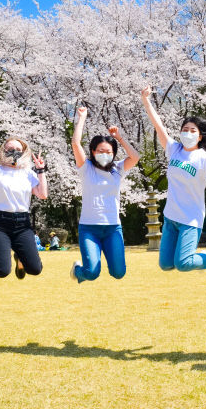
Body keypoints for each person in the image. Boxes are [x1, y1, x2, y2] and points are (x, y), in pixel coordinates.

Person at [140, 86, 206, 271]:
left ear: (200, 136)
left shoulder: (205, 158)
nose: (187, 133)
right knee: (165, 265)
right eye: (185, 129)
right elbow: (158, 126)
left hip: (190, 219)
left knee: (183, 263)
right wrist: (146, 101)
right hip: (171, 216)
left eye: (192, 130)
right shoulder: (174, 149)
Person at [69, 106, 140, 283]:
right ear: (93, 151)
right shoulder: (86, 168)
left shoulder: (117, 169)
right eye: (100, 151)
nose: (105, 154)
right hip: (89, 228)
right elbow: (75, 144)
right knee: (91, 272)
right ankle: (78, 271)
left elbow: (135, 157)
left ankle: (88, 270)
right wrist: (82, 118)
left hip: (112, 228)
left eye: (109, 152)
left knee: (118, 273)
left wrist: (119, 137)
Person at [0, 137, 48, 280]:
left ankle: (20, 258)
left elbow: (42, 194)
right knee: (2, 270)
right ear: (3, 151)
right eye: (11, 149)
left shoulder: (28, 173)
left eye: (19, 150)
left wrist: (40, 170)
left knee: (35, 269)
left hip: (22, 224)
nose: (15, 152)